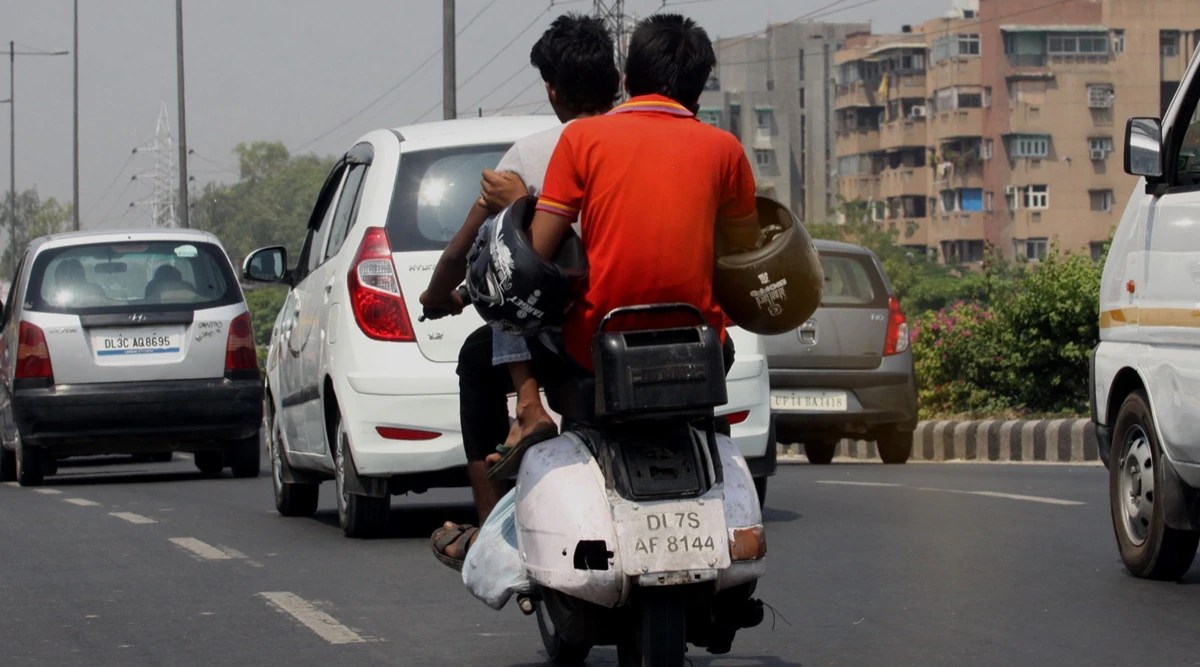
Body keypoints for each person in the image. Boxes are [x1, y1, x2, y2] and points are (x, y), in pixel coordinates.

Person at [423, 13, 619, 569]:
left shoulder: (534, 155)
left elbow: (472, 253)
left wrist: (446, 294)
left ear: (552, 90)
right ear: (616, 80)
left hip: (568, 334)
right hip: (648, 322)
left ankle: (491, 530)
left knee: (503, 281)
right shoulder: (645, 145)